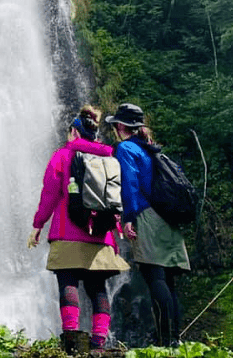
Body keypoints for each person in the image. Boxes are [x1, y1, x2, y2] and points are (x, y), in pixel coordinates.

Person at [28, 105, 130, 353]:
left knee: (68, 282)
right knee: (98, 289)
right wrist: (116, 227)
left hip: (67, 231)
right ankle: (98, 343)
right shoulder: (109, 158)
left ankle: (71, 339)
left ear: (74, 131)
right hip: (101, 233)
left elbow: (50, 194)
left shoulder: (62, 156)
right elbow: (116, 196)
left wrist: (38, 225)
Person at [106, 103, 190, 348]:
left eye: (115, 124)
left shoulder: (126, 148)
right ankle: (175, 339)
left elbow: (129, 184)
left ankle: (166, 342)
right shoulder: (153, 149)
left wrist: (128, 217)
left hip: (146, 216)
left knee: (154, 276)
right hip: (167, 218)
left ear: (121, 126)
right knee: (168, 281)